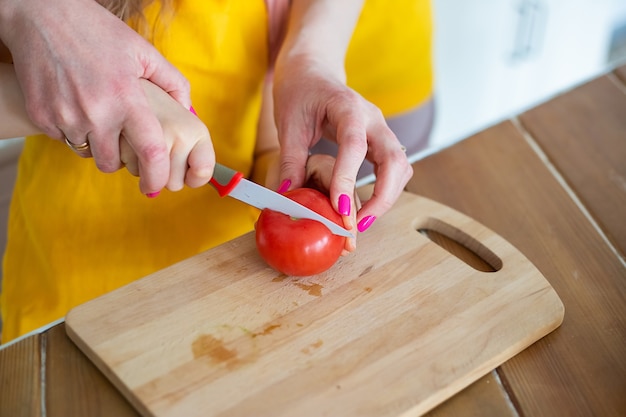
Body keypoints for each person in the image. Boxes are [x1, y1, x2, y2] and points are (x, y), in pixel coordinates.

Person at [0, 0, 434, 343]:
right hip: (76, 284)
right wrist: (55, 99)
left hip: (225, 286)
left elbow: (265, 140)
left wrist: (288, 186)